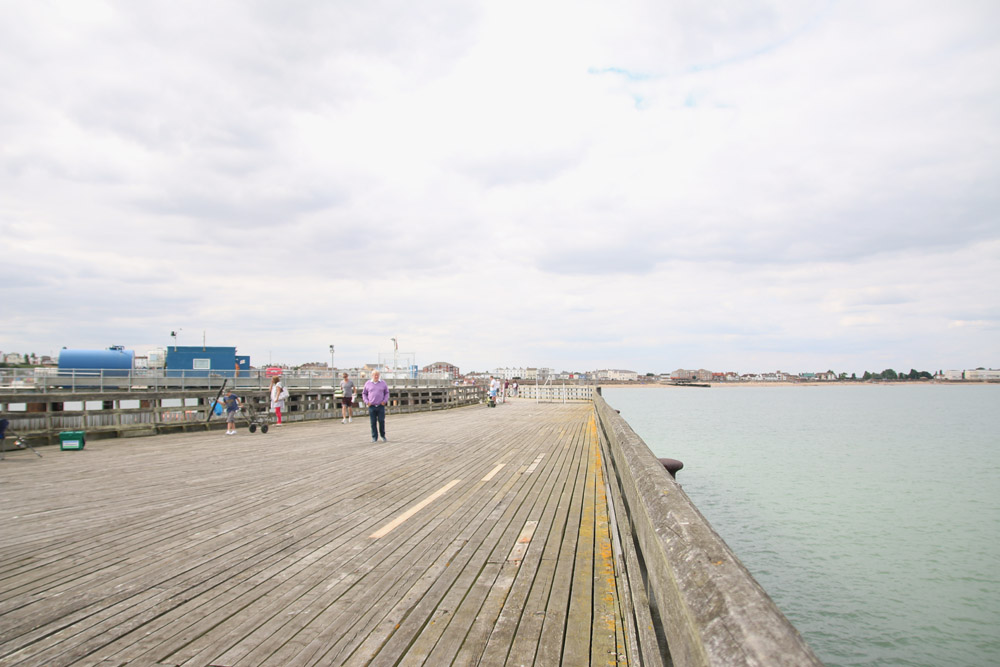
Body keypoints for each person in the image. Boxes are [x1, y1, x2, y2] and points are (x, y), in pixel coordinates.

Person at [362, 370, 389, 442]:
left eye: (377, 375)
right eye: (374, 375)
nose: (376, 376)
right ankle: (374, 437)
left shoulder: (383, 383)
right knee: (373, 422)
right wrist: (367, 402)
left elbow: (386, 392)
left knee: (381, 421)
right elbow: (364, 393)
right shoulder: (368, 383)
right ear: (372, 376)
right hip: (372, 406)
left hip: (380, 405)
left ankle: (383, 436)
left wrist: (385, 400)